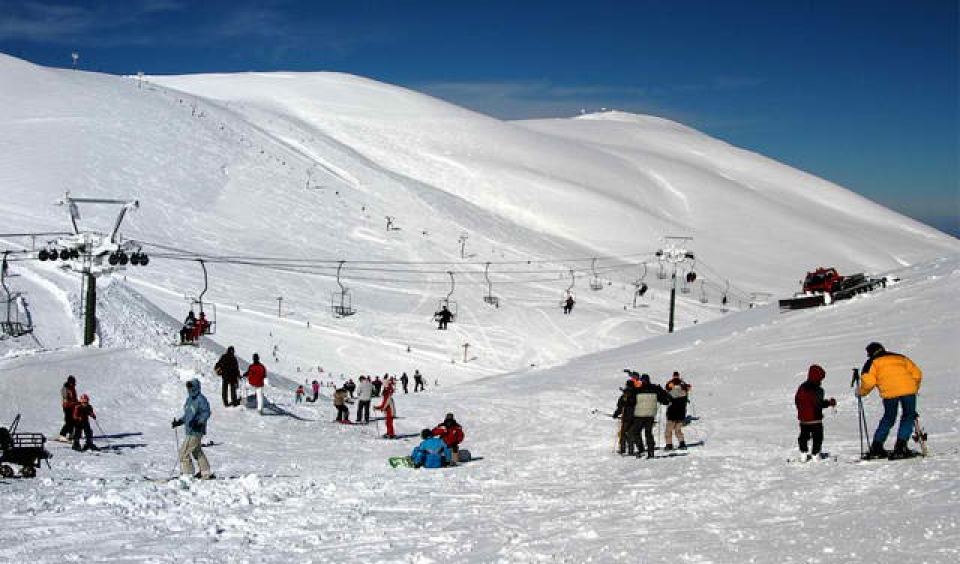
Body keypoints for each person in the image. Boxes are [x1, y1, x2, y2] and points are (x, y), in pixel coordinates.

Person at [858, 342, 923, 459]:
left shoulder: (872, 362)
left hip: (890, 393)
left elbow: (868, 382)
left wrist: (861, 393)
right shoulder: (901, 358)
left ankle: (877, 447)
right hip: (908, 390)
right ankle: (901, 447)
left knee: (889, 418)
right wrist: (914, 387)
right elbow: (917, 374)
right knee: (908, 416)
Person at [172, 379, 213, 479]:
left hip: (196, 430)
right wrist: (179, 422)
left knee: (183, 452)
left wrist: (199, 422)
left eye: (191, 387)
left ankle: (188, 474)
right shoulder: (189, 399)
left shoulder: (201, 399)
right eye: (188, 388)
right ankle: (205, 472)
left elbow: (206, 412)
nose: (190, 389)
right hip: (190, 430)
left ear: (196, 387)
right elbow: (187, 415)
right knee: (196, 451)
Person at [794, 364, 836, 460]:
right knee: (818, 437)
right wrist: (830, 403)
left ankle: (803, 454)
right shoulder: (818, 390)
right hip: (815, 420)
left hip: (803, 419)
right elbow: (819, 404)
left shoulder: (802, 387)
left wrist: (801, 410)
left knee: (804, 436)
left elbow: (797, 400)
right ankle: (815, 455)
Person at [629, 374, 672, 459]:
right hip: (651, 414)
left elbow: (631, 401)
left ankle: (641, 450)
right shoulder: (655, 388)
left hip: (639, 415)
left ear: (641, 380)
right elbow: (664, 400)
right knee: (648, 433)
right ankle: (651, 453)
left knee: (636, 432)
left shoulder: (637, 389)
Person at [664, 371, 692, 450]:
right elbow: (688, 388)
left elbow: (666, 389)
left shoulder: (670, 385)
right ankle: (682, 444)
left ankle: (669, 445)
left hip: (672, 413)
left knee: (668, 431)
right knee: (678, 430)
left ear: (673, 376)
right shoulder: (683, 386)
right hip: (681, 413)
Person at [612, 378, 638, 455]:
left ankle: (623, 449)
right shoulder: (637, 393)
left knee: (623, 433)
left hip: (626, 417)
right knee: (630, 433)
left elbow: (620, 406)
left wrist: (616, 414)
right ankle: (631, 450)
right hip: (636, 416)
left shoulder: (625, 395)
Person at [57, 375, 78, 442]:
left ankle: (71, 434)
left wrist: (77, 402)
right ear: (69, 382)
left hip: (73, 406)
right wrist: (73, 402)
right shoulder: (65, 388)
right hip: (67, 407)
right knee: (68, 421)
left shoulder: (73, 388)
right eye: (72, 382)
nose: (73, 384)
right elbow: (66, 399)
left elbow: (74, 397)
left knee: (73, 420)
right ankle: (62, 434)